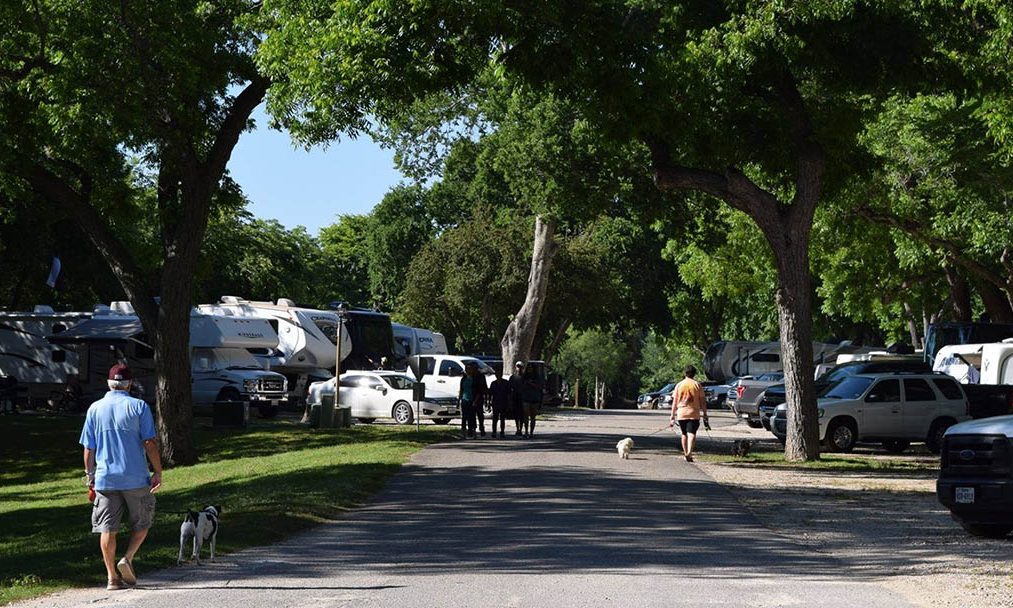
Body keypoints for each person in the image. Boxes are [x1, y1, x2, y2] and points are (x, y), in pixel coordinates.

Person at [79, 364, 162, 590]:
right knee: (142, 522)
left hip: (106, 479)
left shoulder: (95, 409)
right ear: (130, 384)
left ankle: (111, 577)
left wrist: (90, 476)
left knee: (107, 529)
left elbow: (88, 449)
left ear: (109, 383)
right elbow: (149, 443)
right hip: (135, 477)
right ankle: (128, 557)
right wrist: (157, 471)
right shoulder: (139, 407)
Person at [669, 364, 708, 462]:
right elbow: (702, 401)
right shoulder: (697, 385)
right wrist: (705, 413)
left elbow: (675, 401)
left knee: (684, 434)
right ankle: (689, 453)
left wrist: (672, 415)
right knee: (692, 433)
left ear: (684, 373)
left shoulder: (679, 385)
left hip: (681, 412)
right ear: (694, 374)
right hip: (693, 412)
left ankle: (685, 451)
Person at [458, 362, 488, 438]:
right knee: (466, 416)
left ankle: (480, 428)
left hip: (477, 399)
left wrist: (483, 398)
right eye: (470, 368)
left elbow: (482, 389)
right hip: (466, 399)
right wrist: (459, 400)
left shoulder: (480, 377)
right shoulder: (464, 378)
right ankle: (468, 431)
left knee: (479, 415)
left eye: (473, 368)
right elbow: (461, 389)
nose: (472, 370)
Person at [520, 363, 543, 438]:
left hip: (534, 398)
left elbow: (539, 387)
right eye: (529, 368)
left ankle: (531, 432)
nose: (530, 369)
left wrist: (531, 384)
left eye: (531, 368)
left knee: (533, 416)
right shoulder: (524, 377)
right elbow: (521, 386)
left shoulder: (537, 377)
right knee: (525, 415)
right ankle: (526, 431)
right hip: (526, 398)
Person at [488, 370, 512, 438]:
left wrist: (509, 403)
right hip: (495, 402)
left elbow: (509, 393)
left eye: (499, 373)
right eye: (497, 374)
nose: (498, 375)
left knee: (502, 418)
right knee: (495, 418)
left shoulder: (506, 383)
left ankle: (502, 432)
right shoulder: (493, 383)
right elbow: (490, 394)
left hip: (503, 402)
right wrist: (489, 402)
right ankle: (494, 431)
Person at [509, 361, 525, 436]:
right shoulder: (513, 377)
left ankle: (521, 429)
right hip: (515, 397)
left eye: (520, 367)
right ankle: (517, 428)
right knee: (516, 414)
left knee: (522, 414)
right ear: (515, 367)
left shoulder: (525, 377)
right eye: (518, 366)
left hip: (523, 398)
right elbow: (509, 388)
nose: (519, 368)